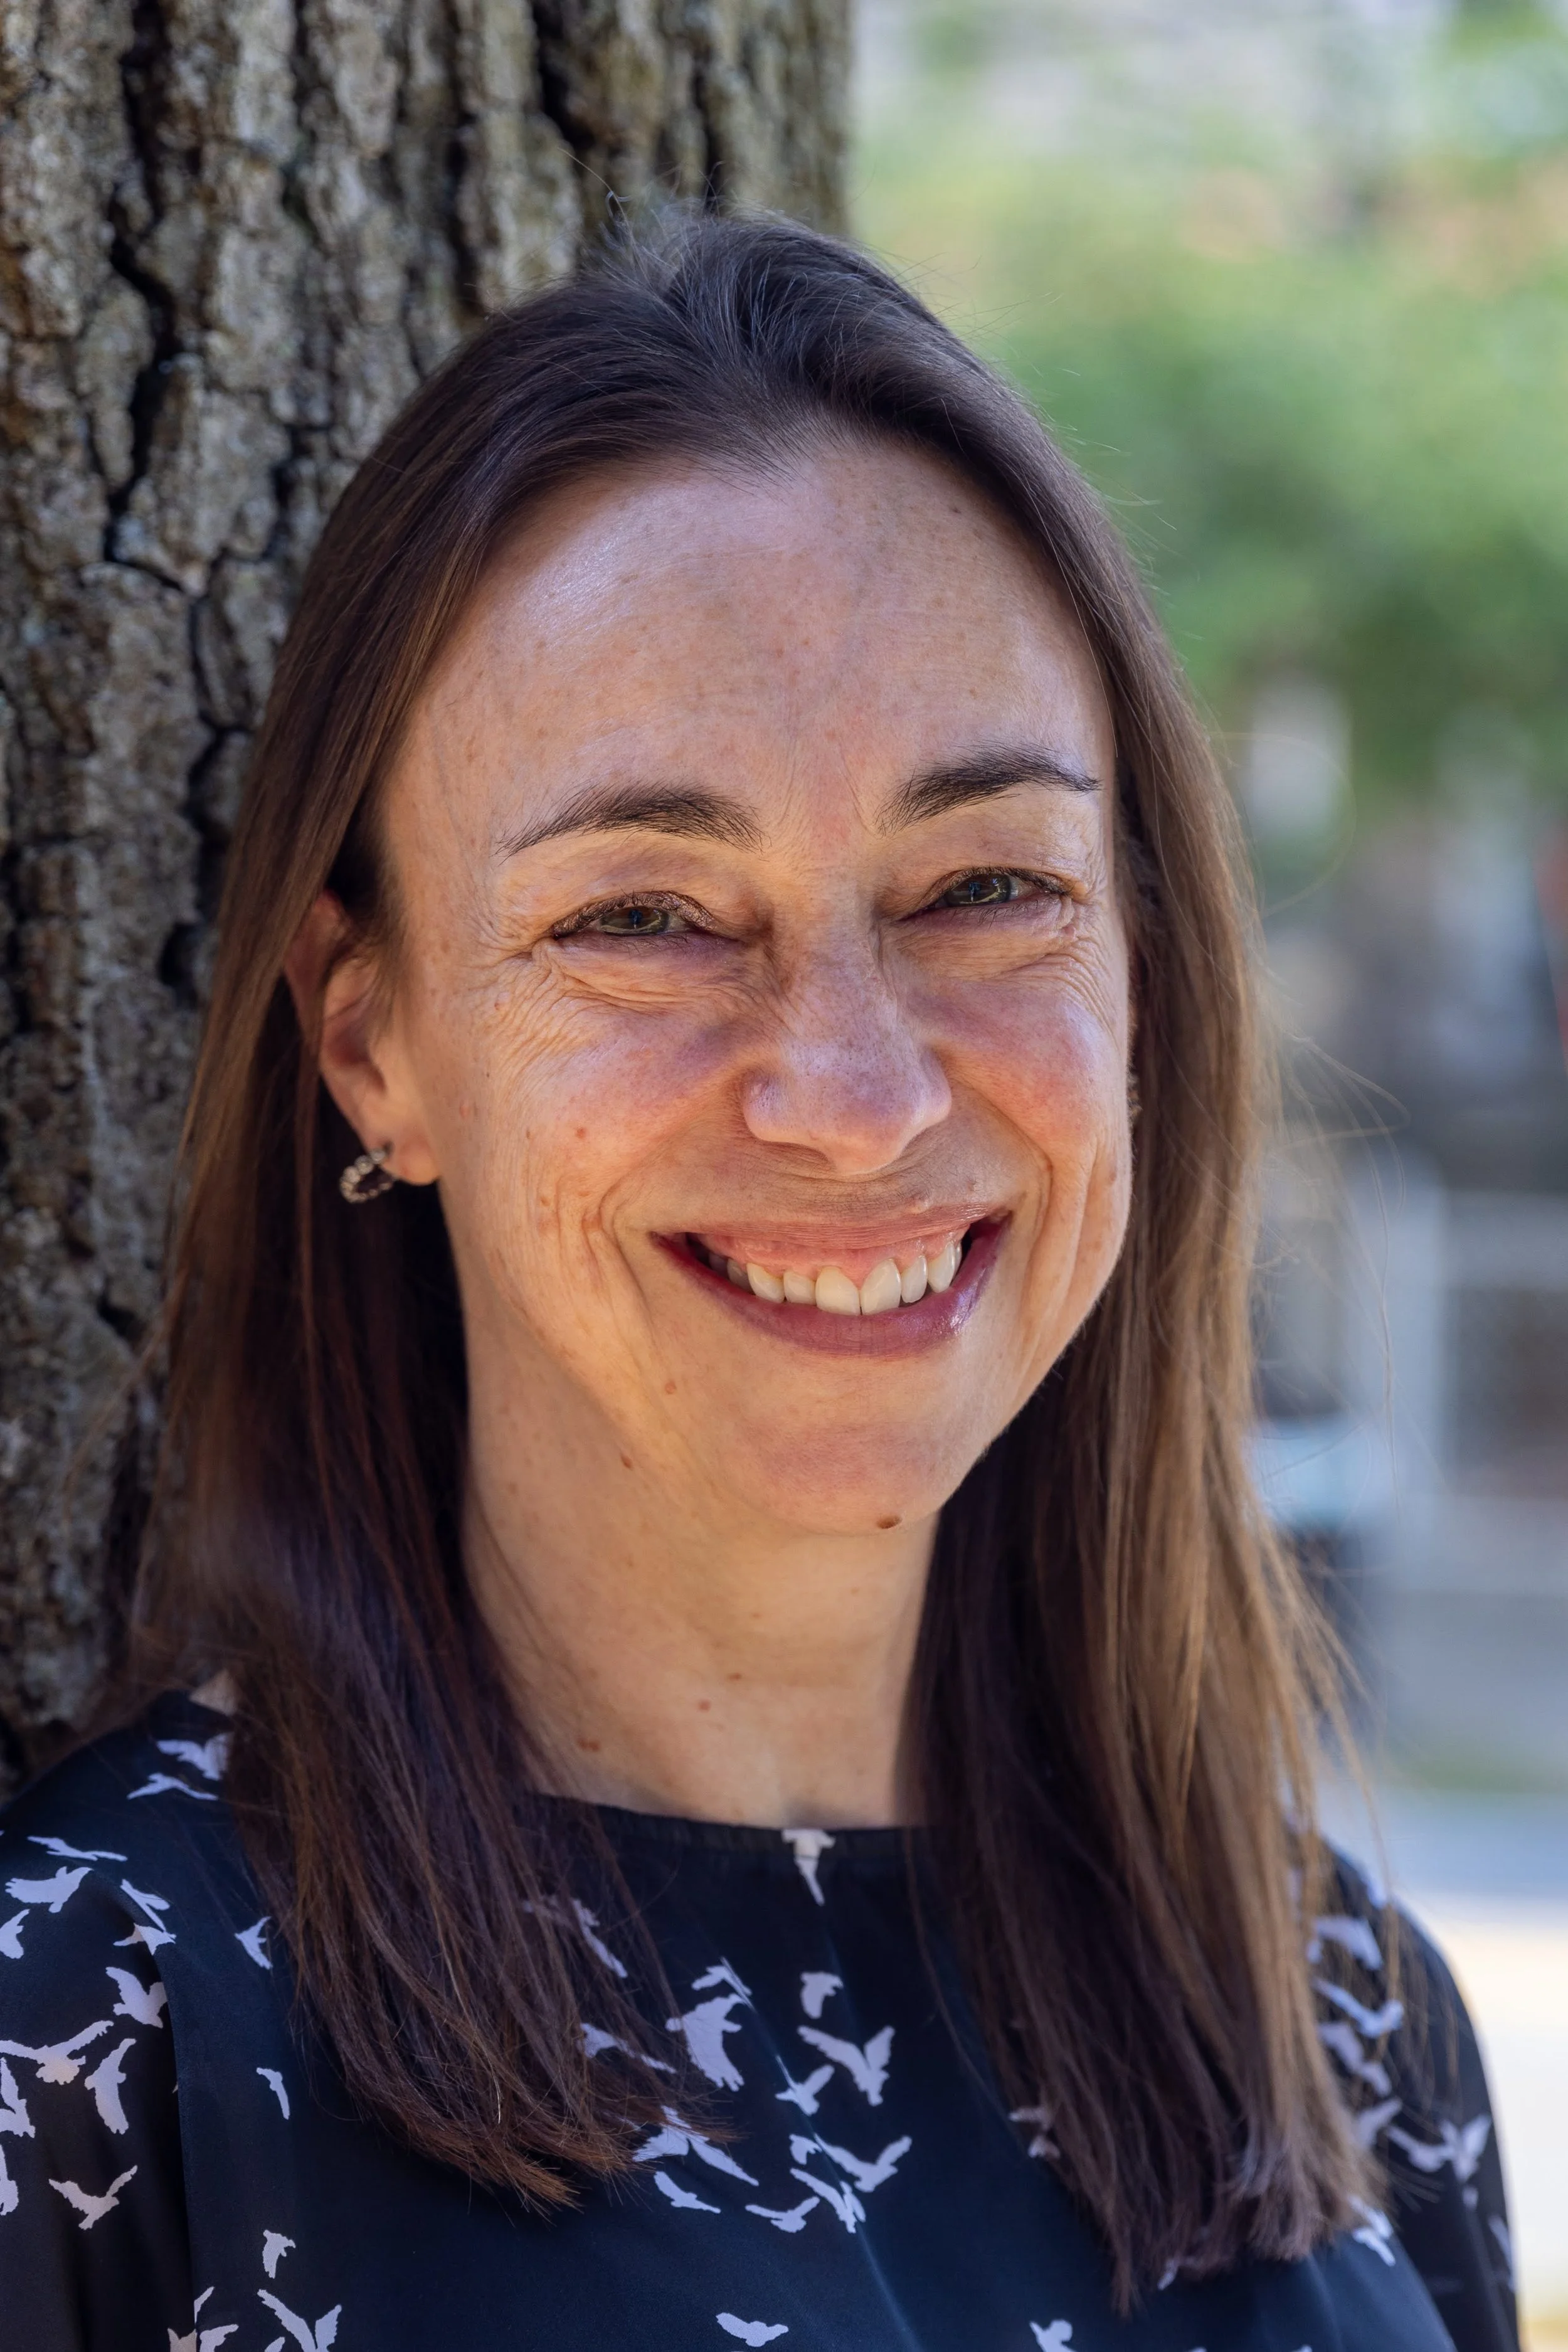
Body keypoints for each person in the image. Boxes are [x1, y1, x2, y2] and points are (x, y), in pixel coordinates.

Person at [0, 214, 1517, 2352]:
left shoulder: (1335, 2014)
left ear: (1142, 981)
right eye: (643, 914)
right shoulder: (95, 2028)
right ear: (375, 1042)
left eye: (987, 884)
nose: (852, 1094)